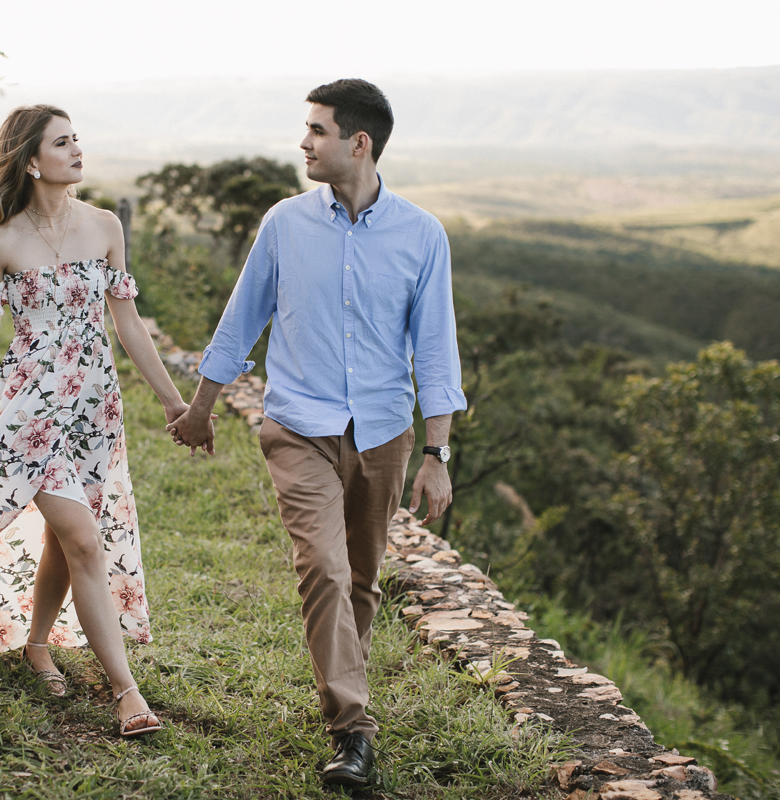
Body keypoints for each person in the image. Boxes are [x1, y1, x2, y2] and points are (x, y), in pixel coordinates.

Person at [169, 79, 467, 785]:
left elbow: (436, 349)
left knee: (362, 581)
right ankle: (353, 732)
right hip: (298, 425)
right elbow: (242, 320)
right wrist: (202, 406)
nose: (304, 142)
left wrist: (436, 454)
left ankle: (344, 699)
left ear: (358, 143)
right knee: (325, 572)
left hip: (384, 435)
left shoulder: (421, 235)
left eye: (317, 131)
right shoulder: (284, 223)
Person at [0, 104, 204, 736]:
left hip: (93, 410)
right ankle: (127, 692)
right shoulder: (0, 241)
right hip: (27, 412)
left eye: (77, 139)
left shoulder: (106, 226)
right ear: (32, 161)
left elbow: (127, 326)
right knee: (84, 538)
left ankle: (38, 642)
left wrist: (175, 401)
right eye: (63, 143)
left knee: (72, 537)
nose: (77, 150)